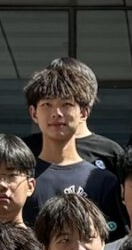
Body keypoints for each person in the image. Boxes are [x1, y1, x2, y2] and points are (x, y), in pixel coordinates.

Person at [25, 58, 124, 217]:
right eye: (47, 105)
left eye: (66, 104)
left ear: (83, 113)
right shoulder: (20, 175)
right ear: (34, 113)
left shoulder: (105, 181)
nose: (56, 113)